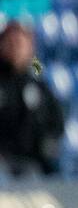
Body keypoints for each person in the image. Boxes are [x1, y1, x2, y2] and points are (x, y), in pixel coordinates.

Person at [0, 20, 62, 176]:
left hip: (32, 161)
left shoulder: (37, 80)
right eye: (11, 43)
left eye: (20, 43)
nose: (16, 48)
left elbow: (55, 120)